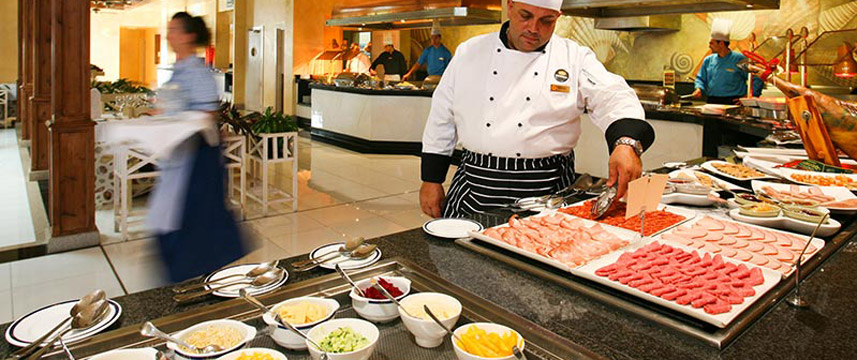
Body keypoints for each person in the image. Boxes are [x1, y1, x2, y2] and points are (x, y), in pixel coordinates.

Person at [420, 0, 655, 218]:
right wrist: (431, 179)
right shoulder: (469, 52)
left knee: (540, 256)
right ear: (510, 7)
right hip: (477, 183)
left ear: (558, 17)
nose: (534, 28)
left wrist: (626, 143)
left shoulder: (573, 57)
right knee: (461, 258)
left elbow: (613, 95)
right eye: (526, 15)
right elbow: (442, 115)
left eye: (546, 21)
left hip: (548, 186)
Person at [149, 12, 245, 282]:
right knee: (176, 220)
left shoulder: (198, 73)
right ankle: (185, 278)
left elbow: (207, 116)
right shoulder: (177, 70)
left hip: (197, 159)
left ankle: (197, 280)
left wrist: (175, 121)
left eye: (175, 30)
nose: (170, 36)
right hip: (179, 157)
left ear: (190, 36)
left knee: (194, 221)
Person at [692, 18, 764, 104]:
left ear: (721, 43)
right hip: (712, 101)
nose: (709, 46)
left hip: (733, 101)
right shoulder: (708, 60)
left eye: (712, 43)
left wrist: (748, 98)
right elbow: (700, 78)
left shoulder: (740, 59)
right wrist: (699, 88)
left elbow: (757, 78)